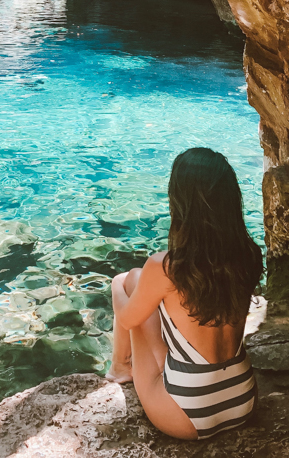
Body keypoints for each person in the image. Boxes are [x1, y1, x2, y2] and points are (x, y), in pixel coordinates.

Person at [106, 147, 263, 440]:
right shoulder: (249, 255)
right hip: (243, 400)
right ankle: (127, 367)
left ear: (180, 202)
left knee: (129, 283)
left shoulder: (167, 267)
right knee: (142, 284)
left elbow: (128, 320)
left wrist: (116, 283)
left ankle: (119, 368)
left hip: (185, 416)